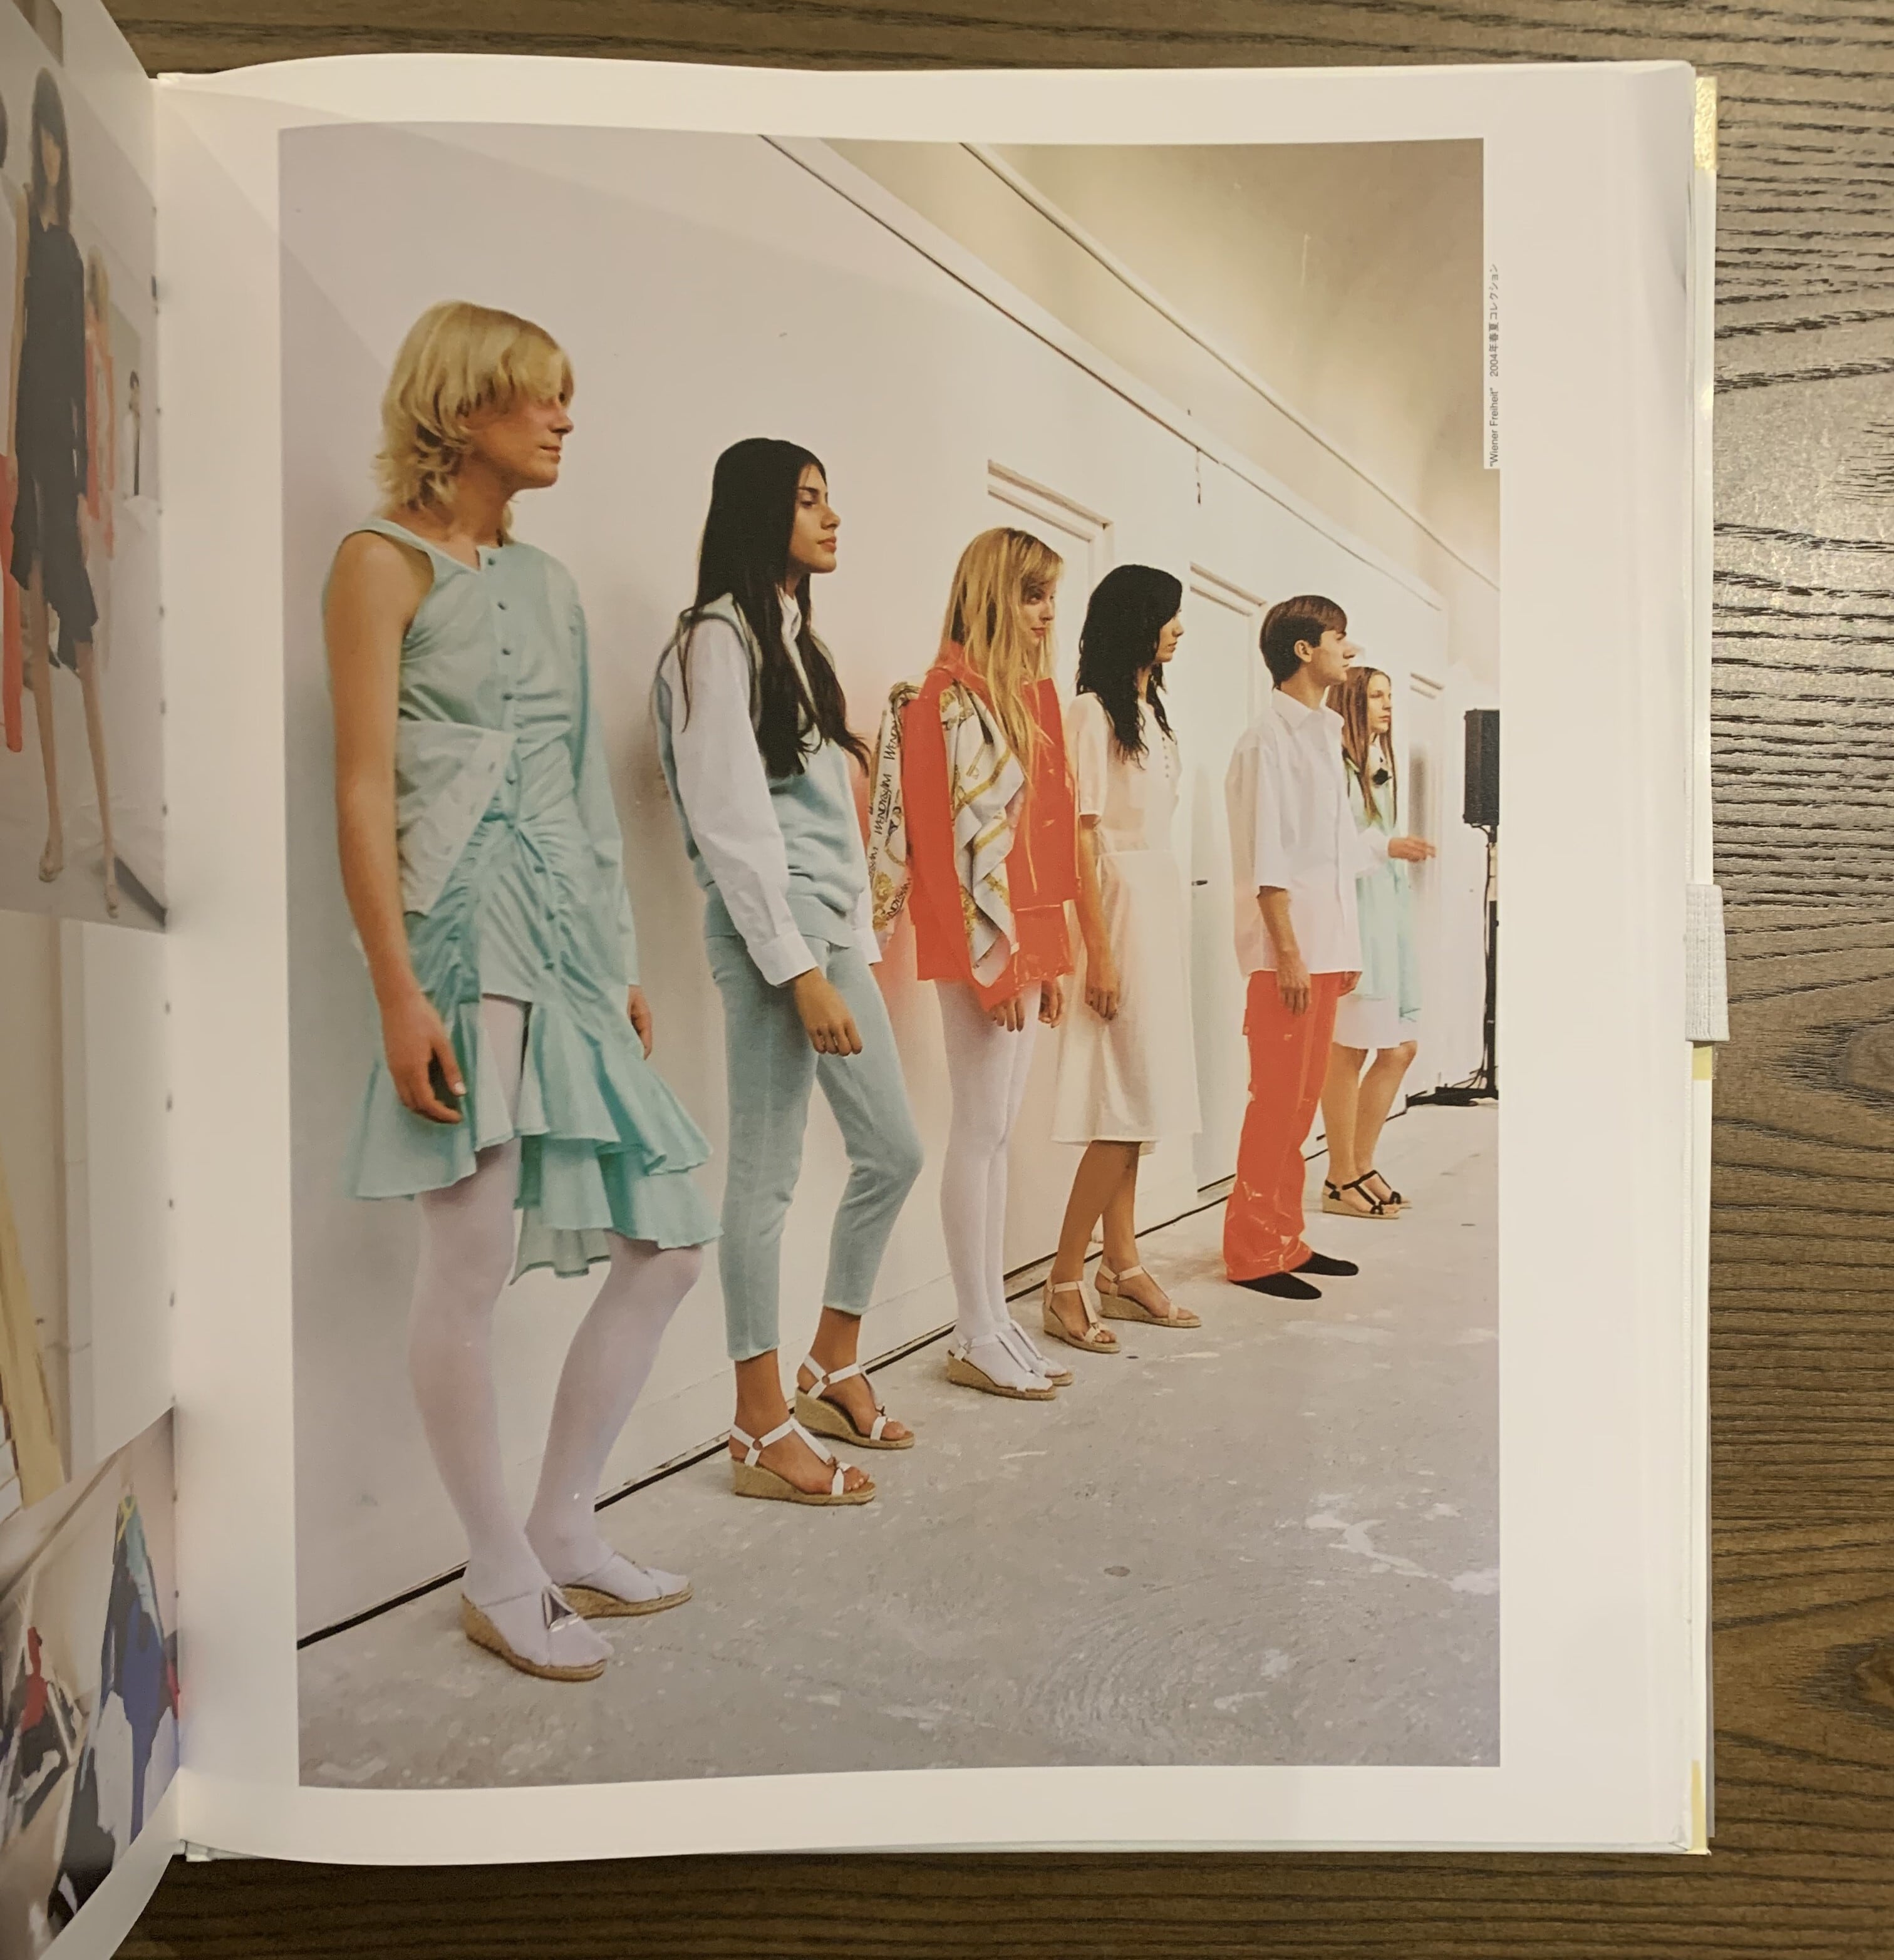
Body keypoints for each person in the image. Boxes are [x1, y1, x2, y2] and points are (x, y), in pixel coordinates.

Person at [326, 300, 717, 1684]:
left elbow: (575, 788)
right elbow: (362, 790)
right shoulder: (379, 564)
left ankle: (561, 1522)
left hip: (564, 942)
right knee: (471, 1254)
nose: (564, 419)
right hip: (460, 940)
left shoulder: (547, 584)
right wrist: (395, 992)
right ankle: (498, 1568)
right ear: (463, 405)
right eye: (539, 396)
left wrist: (618, 960)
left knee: (670, 1242)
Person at [653, 438, 924, 1509]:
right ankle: (759, 1422)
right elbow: (730, 822)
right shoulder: (712, 641)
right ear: (761, 510)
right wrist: (800, 968)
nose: (830, 517)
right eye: (809, 500)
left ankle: (829, 1362)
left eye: (829, 498)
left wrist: (850, 941)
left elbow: (820, 823)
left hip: (823, 932)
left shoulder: (795, 642)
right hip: (775, 938)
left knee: (892, 1150)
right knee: (763, 1181)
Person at [871, 527, 1083, 1398]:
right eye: (1032, 595)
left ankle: (992, 1319)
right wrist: (991, 967)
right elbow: (934, 849)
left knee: (998, 1133)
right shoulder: (941, 701)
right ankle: (974, 1325)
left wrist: (1051, 956)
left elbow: (1045, 842)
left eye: (1051, 596)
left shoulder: (1024, 699)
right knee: (979, 1128)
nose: (1046, 613)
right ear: (994, 594)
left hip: (1025, 939)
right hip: (983, 944)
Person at [1221, 595, 1431, 1299]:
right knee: (1275, 1104)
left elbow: (1339, 852)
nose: (1351, 648)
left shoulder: (1319, 734)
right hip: (1289, 954)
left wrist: (1344, 950)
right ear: (1305, 650)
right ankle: (1253, 1252)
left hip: (1323, 950)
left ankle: (1286, 1237)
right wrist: (1287, 952)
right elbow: (1268, 860)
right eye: (1340, 638)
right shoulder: (1266, 742)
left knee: (1301, 1103)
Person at [1046, 564, 1203, 1335]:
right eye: (1168, 614)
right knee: (1121, 1106)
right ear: (1135, 620)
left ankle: (1123, 1263)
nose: (1179, 628)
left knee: (1140, 1103)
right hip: (1118, 911)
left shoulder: (1150, 713)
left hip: (1156, 907)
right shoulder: (1090, 712)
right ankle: (1063, 1279)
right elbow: (1080, 837)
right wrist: (1099, 953)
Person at [12, 72, 116, 913]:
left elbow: (83, 374)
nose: (49, 150)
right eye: (42, 134)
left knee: (80, 634)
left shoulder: (74, 245)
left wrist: (86, 488)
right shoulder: (24, 216)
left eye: (58, 137)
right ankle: (54, 825)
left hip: (66, 445)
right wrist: (11, 452)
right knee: (38, 609)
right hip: (29, 438)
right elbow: (16, 331)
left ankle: (109, 842)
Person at [1320, 665, 1431, 1219]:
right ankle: (1341, 1174)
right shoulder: (1335, 766)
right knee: (1349, 1048)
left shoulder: (1375, 762)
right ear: (1351, 703)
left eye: (1389, 696)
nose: (1387, 706)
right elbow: (1336, 846)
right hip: (1358, 918)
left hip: (1386, 916)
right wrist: (1388, 847)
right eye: (1375, 697)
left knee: (1401, 1048)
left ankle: (1360, 1164)